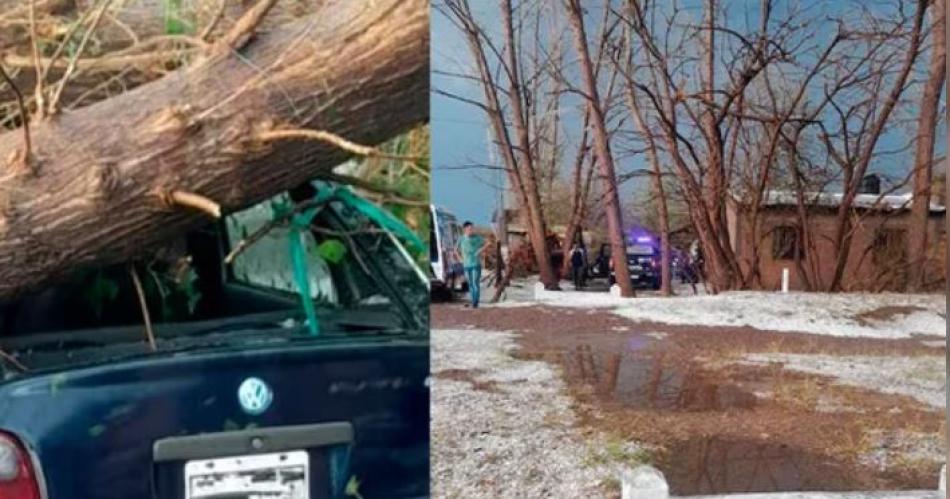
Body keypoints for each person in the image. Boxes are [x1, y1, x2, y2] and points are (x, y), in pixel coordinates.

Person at [454, 221, 489, 308]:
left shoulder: (477, 238)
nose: (471, 230)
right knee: (470, 283)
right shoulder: (461, 239)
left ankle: (475, 302)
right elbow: (455, 250)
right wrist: (460, 259)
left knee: (475, 282)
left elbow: (488, 243)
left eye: (472, 229)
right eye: (469, 229)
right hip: (466, 265)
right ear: (465, 229)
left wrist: (480, 250)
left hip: (476, 264)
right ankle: (473, 300)